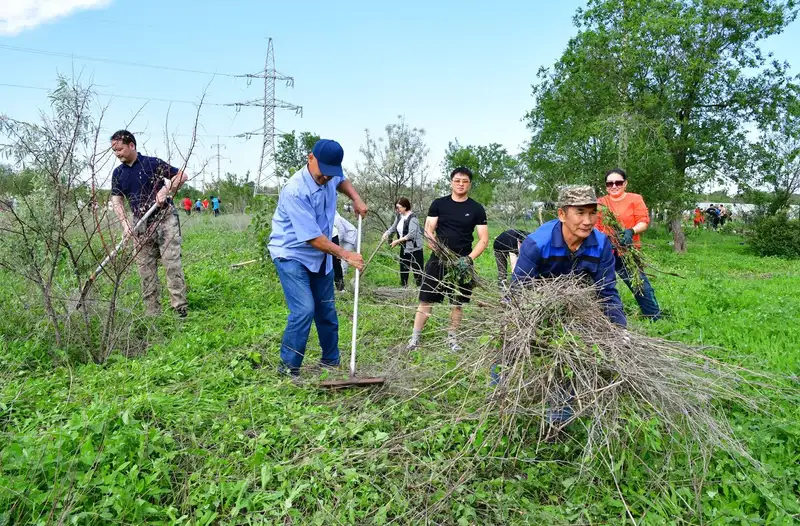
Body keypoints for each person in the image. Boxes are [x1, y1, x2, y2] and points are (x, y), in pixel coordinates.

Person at [508, 186, 626, 434]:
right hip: (536, 309)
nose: (587, 221)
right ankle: (505, 405)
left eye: (593, 213)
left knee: (569, 360)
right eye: (580, 213)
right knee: (509, 355)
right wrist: (520, 327)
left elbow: (607, 291)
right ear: (562, 214)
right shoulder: (537, 244)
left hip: (579, 312)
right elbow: (517, 292)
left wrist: (619, 329)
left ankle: (556, 424)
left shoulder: (601, 244)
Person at [268, 139, 368, 376]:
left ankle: (331, 363)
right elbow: (312, 238)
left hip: (320, 255)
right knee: (304, 310)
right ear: (310, 157)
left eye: (330, 174)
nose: (326, 178)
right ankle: (288, 371)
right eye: (323, 173)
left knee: (326, 311)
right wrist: (346, 255)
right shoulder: (295, 190)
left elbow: (342, 180)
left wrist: (356, 198)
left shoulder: (332, 175)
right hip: (291, 253)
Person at [407, 167, 489, 351]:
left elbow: (483, 239)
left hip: (462, 263)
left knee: (457, 303)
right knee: (425, 300)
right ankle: (414, 340)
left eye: (465, 181)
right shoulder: (439, 204)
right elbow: (429, 231)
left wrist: (468, 259)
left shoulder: (476, 208)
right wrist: (436, 247)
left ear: (469, 184)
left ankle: (453, 340)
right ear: (451, 182)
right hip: (438, 260)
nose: (461, 184)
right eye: (457, 180)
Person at [109, 130, 189, 317]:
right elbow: (117, 201)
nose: (117, 153)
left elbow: (181, 176)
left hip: (165, 219)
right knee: (146, 270)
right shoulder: (118, 173)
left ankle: (180, 309)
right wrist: (125, 224)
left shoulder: (152, 164)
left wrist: (166, 189)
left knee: (172, 265)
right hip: (140, 224)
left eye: (119, 149)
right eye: (114, 151)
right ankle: (153, 313)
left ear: (132, 145)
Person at [596, 168, 661, 320]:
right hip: (606, 252)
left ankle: (654, 316)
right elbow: (596, 226)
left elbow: (643, 222)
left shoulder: (635, 199)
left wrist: (631, 231)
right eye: (609, 183)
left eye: (618, 182)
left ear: (625, 183)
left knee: (640, 286)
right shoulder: (600, 202)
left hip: (627, 251)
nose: (614, 186)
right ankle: (602, 317)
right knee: (602, 285)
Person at [382, 197, 424, 288]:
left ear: (405, 207)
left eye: (398, 207)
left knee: (417, 272)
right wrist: (387, 233)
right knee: (404, 269)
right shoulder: (399, 216)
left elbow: (411, 235)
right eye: (396, 207)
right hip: (404, 248)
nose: (397, 209)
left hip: (415, 249)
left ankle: (420, 291)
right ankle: (404, 290)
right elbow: (393, 228)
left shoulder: (413, 218)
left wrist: (397, 241)